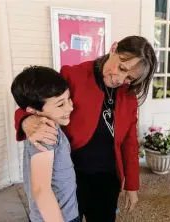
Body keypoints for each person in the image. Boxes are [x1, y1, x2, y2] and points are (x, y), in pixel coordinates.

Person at [14, 36, 157, 222]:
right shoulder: (73, 75)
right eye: (121, 68)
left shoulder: (128, 95)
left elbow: (130, 141)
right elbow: (37, 100)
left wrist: (132, 185)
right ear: (113, 48)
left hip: (107, 177)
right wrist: (26, 120)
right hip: (73, 174)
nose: (120, 79)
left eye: (130, 78)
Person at [11, 66, 79, 222]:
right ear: (33, 111)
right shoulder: (45, 134)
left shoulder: (51, 127)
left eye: (68, 98)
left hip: (65, 212)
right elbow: (42, 190)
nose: (70, 106)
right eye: (60, 104)